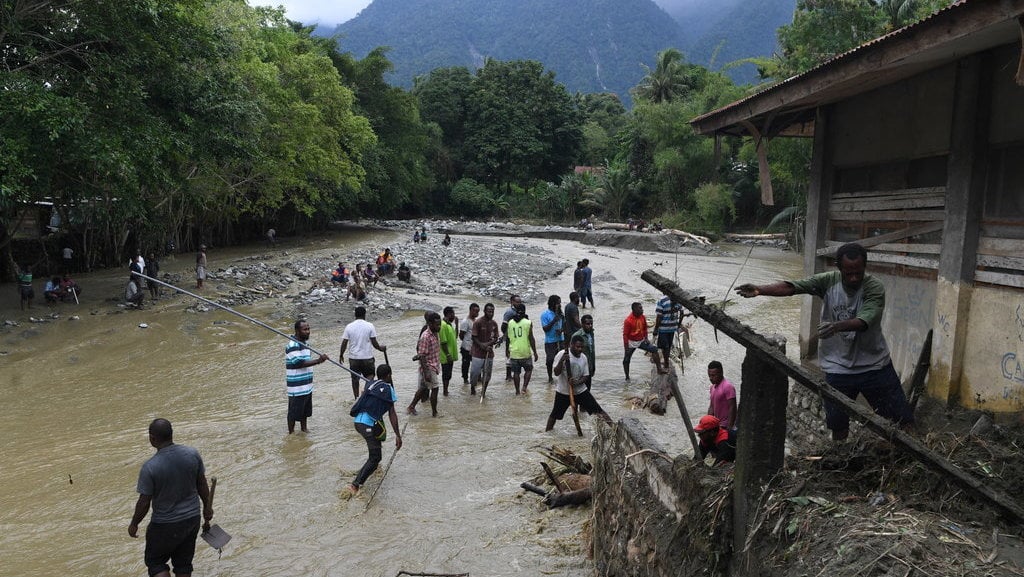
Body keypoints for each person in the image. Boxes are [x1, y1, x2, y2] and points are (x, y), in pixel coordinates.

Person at [735, 242, 915, 441]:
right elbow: (793, 287)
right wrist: (760, 290)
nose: (854, 277)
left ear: (865, 267)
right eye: (849, 273)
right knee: (838, 425)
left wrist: (836, 326)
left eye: (858, 272)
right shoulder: (829, 281)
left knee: (901, 420)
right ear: (839, 268)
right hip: (838, 368)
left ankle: (909, 458)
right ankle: (839, 459)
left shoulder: (874, 287)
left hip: (875, 365)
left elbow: (866, 320)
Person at [128, 418, 213, 577]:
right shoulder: (192, 454)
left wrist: (134, 523)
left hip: (164, 524)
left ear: (152, 439)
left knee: (156, 563)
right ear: (171, 435)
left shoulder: (150, 467)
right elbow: (202, 484)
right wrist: (208, 507)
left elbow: (144, 502)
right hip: (191, 519)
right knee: (183, 565)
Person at [345, 364, 402, 498]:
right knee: (376, 457)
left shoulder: (370, 384)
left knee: (375, 450)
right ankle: (355, 485)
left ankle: (370, 469)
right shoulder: (388, 389)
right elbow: (392, 414)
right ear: (388, 376)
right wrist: (398, 435)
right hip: (367, 424)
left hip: (358, 422)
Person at [545, 335, 610, 431]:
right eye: (577, 347)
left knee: (598, 411)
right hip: (563, 392)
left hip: (580, 391)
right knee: (555, 415)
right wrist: (562, 360)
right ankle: (547, 433)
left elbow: (586, 376)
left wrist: (577, 382)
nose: (580, 349)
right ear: (571, 345)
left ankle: (614, 429)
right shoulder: (562, 354)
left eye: (581, 347)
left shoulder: (583, 357)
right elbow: (556, 372)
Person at [285, 320, 329, 433]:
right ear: (297, 331)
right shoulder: (292, 345)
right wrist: (319, 360)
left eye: (308, 329)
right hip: (296, 388)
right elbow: (300, 363)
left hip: (307, 386)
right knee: (293, 413)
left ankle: (304, 429)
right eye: (305, 329)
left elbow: (307, 362)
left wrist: (318, 361)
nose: (308, 332)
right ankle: (291, 434)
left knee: (305, 411)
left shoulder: (306, 345)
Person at [339, 306, 387, 399]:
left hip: (354, 358)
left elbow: (344, 343)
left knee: (355, 380)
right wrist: (381, 349)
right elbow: (374, 343)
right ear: (364, 314)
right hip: (367, 358)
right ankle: (366, 396)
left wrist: (341, 354)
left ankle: (356, 398)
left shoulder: (349, 326)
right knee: (370, 378)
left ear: (355, 315)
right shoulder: (370, 326)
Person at [408, 311, 442, 416]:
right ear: (430, 324)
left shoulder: (435, 333)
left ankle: (411, 406)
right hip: (428, 366)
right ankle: (434, 413)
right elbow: (421, 355)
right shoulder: (425, 336)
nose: (439, 326)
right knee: (435, 388)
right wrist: (426, 372)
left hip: (434, 365)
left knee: (423, 388)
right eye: (437, 324)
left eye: (439, 324)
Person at [622, 302, 666, 380]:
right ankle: (627, 377)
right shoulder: (628, 320)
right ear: (634, 309)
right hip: (631, 342)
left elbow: (645, 328)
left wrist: (646, 338)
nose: (642, 310)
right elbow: (625, 335)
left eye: (642, 308)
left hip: (641, 340)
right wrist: (626, 347)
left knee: (654, 349)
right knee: (626, 360)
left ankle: (659, 369)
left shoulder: (642, 317)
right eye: (640, 308)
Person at [506, 303, 538, 394]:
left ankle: (517, 391)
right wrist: (535, 352)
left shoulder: (510, 322)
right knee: (528, 370)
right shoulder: (528, 322)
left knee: (516, 373)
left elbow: (508, 338)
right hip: (525, 352)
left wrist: (507, 350)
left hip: (514, 352)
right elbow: (531, 338)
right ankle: (524, 388)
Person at [470, 303, 501, 396]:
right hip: (477, 353)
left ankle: (483, 392)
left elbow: (496, 338)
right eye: (489, 311)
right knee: (474, 373)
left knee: (487, 374)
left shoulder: (494, 324)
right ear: (484, 311)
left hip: (489, 353)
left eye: (492, 311)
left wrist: (488, 344)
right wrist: (482, 345)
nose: (491, 313)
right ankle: (472, 387)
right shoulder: (478, 322)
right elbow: (474, 337)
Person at [653, 294, 683, 372]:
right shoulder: (678, 299)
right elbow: (682, 312)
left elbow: (659, 316)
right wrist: (678, 324)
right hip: (672, 327)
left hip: (664, 328)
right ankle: (666, 362)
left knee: (665, 347)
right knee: (668, 346)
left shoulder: (662, 300)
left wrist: (656, 329)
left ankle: (666, 364)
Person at [706, 361, 737, 430]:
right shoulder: (712, 388)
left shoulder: (728, 387)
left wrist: (729, 427)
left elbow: (733, 407)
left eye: (713, 375)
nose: (710, 378)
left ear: (721, 373)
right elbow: (711, 407)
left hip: (725, 425)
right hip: (717, 425)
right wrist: (707, 423)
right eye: (709, 375)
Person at [540, 294, 565, 382]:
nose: (560, 305)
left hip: (561, 340)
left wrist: (562, 330)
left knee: (563, 359)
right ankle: (550, 378)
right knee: (550, 360)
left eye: (560, 303)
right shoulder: (545, 314)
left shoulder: (561, 314)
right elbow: (545, 329)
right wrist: (554, 320)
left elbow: (565, 326)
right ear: (552, 303)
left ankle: (562, 378)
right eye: (558, 303)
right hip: (550, 341)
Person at [501, 294, 524, 382]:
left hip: (518, 338)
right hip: (510, 338)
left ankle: (514, 374)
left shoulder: (520, 311)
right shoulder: (509, 312)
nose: (518, 303)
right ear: (512, 302)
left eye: (520, 302)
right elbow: (503, 327)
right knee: (509, 355)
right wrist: (508, 336)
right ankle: (508, 376)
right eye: (517, 302)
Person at [572, 314, 596, 391]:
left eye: (591, 323)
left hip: (589, 367)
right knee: (578, 392)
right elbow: (572, 353)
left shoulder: (591, 334)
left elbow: (592, 352)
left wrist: (593, 366)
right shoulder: (577, 335)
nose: (590, 325)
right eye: (588, 324)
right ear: (582, 324)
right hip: (579, 368)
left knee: (587, 391)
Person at [439, 306, 460, 396]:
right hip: (446, 355)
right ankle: (445, 391)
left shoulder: (449, 325)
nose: (454, 316)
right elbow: (443, 342)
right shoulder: (443, 325)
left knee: (449, 374)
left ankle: (446, 390)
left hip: (450, 355)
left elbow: (455, 336)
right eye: (453, 314)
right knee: (446, 374)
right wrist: (447, 354)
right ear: (449, 314)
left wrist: (457, 324)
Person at [459, 303, 480, 386]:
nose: (476, 313)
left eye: (478, 312)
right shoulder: (465, 322)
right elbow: (461, 335)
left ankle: (478, 377)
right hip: (466, 347)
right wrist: (467, 341)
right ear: (470, 310)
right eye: (475, 311)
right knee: (466, 364)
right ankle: (465, 379)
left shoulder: (475, 321)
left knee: (477, 364)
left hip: (475, 347)